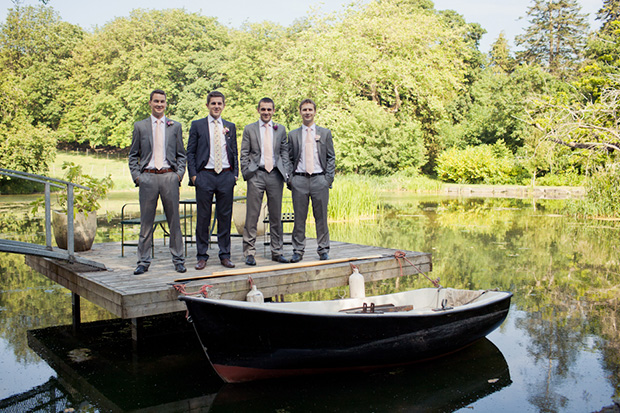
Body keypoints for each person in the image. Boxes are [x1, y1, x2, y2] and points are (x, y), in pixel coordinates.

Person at [128, 89, 187, 275]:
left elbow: (181, 155)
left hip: (169, 177)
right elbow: (132, 155)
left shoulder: (174, 126)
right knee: (146, 222)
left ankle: (178, 260)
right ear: (150, 103)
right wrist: (138, 177)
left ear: (166, 104)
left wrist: (178, 175)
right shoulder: (140, 126)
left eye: (162, 101)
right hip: (147, 178)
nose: (159, 104)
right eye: (156, 101)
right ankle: (143, 261)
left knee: (174, 222)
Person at [187, 91, 239, 269]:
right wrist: (194, 176)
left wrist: (235, 175)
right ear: (207, 105)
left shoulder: (230, 126)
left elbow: (234, 152)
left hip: (226, 175)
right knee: (203, 217)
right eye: (213, 103)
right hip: (205, 176)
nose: (216, 106)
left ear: (224, 105)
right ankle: (202, 255)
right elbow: (190, 152)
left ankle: (225, 255)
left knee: (225, 217)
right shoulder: (198, 125)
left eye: (219, 103)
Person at [240, 97, 291, 266]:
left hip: (275, 175)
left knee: (276, 215)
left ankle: (277, 251)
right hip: (256, 175)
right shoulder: (250, 129)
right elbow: (244, 153)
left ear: (273, 111)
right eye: (263, 109)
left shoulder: (280, 129)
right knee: (252, 215)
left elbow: (285, 153)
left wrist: (286, 172)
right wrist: (246, 172)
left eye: (269, 109)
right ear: (258, 110)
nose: (266, 112)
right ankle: (249, 252)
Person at [287, 98, 335, 263]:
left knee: (321, 217)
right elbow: (288, 158)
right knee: (299, 219)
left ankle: (323, 250)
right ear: (300, 112)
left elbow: (331, 157)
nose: (307, 112)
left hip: (319, 180)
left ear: (315, 112)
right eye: (304, 110)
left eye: (310, 109)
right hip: (299, 180)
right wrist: (290, 179)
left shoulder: (325, 133)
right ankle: (298, 251)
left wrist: (328, 179)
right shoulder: (293, 134)